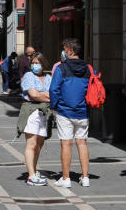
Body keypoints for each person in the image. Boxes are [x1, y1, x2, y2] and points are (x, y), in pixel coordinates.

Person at [49, 39, 91, 188]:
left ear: (70, 51)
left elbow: (54, 89)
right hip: (83, 111)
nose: (63, 51)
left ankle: (66, 178)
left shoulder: (61, 68)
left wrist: (54, 106)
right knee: (82, 143)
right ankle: (85, 177)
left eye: (64, 49)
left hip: (64, 111)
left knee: (66, 144)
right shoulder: (89, 68)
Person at [19, 52, 52, 186]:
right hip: (31, 111)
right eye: (32, 63)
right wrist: (44, 95)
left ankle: (34, 169)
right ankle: (31, 176)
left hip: (44, 113)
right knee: (31, 144)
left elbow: (53, 93)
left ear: (43, 64)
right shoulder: (28, 76)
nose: (34, 65)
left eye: (37, 63)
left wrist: (41, 94)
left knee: (39, 144)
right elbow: (33, 95)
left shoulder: (48, 77)